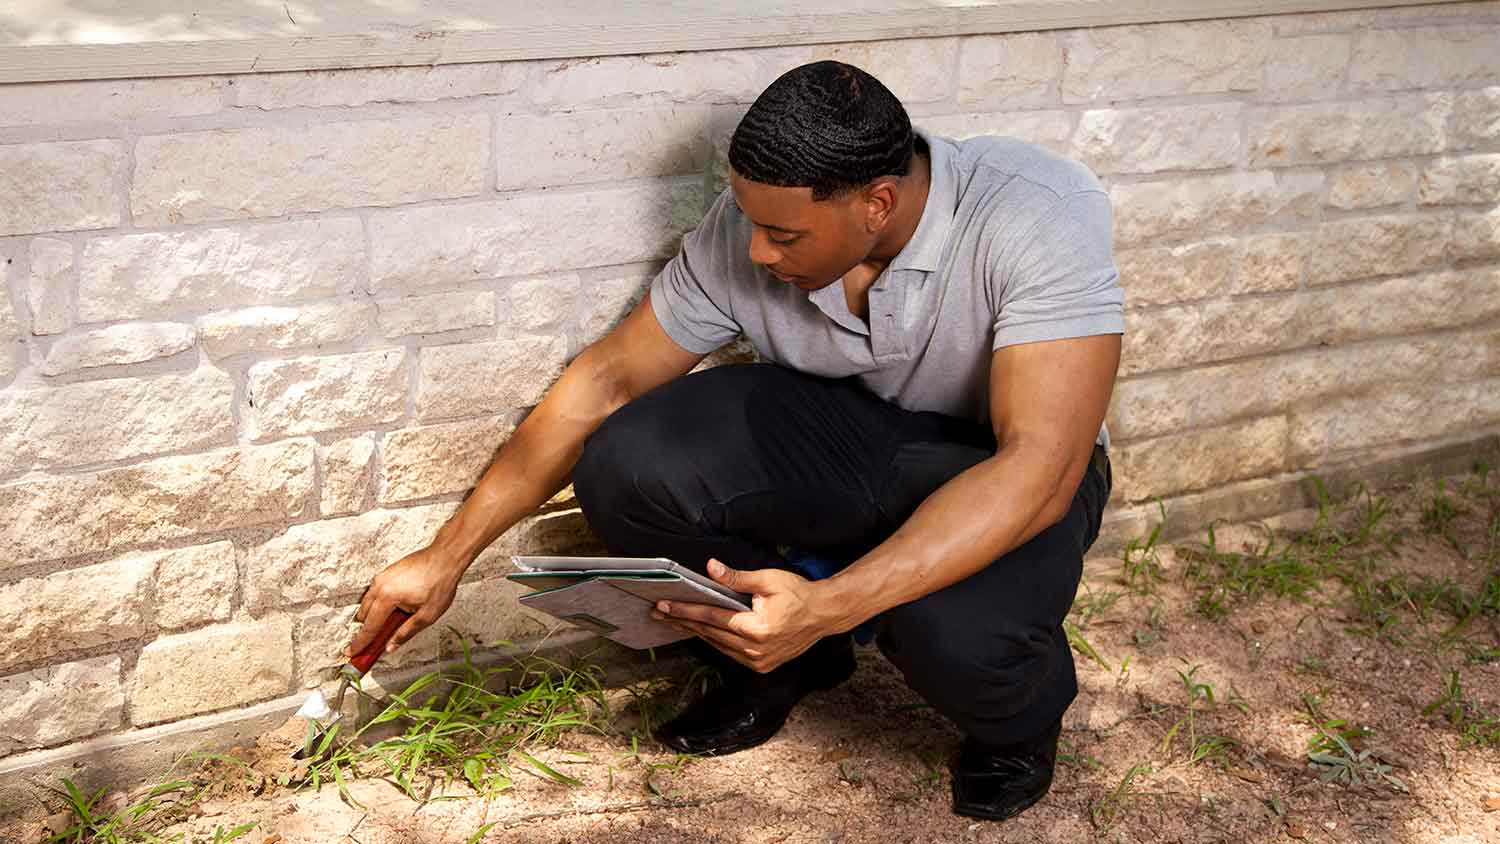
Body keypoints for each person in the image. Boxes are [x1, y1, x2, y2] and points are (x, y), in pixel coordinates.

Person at [349, 59, 1122, 821]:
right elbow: (606, 380)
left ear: (878, 203)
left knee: (947, 632)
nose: (755, 252)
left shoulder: (1033, 213)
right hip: (854, 440)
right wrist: (446, 557)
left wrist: (827, 603)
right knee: (629, 461)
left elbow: (1039, 469)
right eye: (751, 222)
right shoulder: (751, 233)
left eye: (783, 234)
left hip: (1004, 465)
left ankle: (1016, 728)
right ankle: (783, 664)